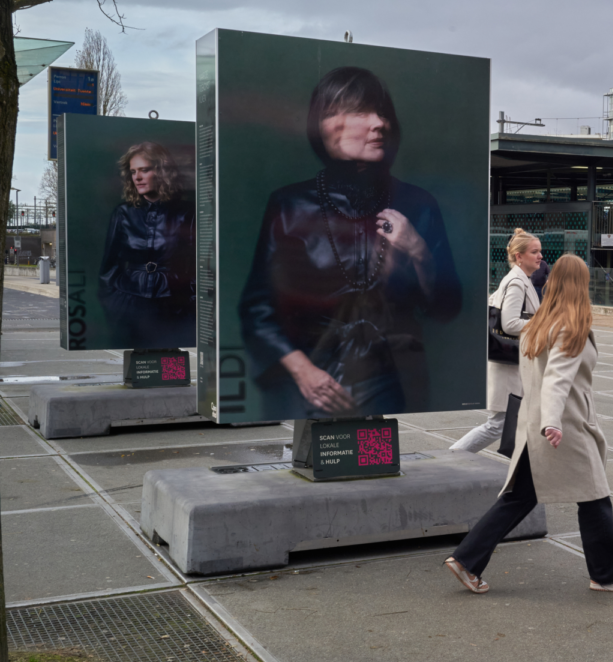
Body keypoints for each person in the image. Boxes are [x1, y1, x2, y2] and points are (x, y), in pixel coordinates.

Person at [239, 66, 462, 420]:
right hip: (309, 389)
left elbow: (446, 308)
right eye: (362, 112)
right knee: (321, 465)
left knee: (379, 470)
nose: (379, 123)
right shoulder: (289, 204)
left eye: (383, 112)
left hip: (395, 388)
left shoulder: (418, 204)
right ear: (327, 123)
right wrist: (305, 374)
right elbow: (257, 311)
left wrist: (418, 251)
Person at [444, 254, 613, 594]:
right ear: (580, 284)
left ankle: (466, 560)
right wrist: (553, 421)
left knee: (519, 498)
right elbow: (557, 379)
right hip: (565, 429)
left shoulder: (540, 322)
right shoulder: (569, 325)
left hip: (533, 428)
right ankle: (608, 574)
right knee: (595, 498)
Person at [450, 229, 541, 454]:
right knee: (497, 424)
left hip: (510, 365)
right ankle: (454, 455)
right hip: (508, 367)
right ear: (519, 256)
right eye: (534, 251)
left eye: (540, 251)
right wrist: (541, 326)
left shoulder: (519, 280)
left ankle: (526, 477)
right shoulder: (517, 282)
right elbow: (510, 323)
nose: (540, 256)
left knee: (515, 423)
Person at [97, 142, 195, 347]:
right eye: (133, 172)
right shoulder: (123, 213)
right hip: (129, 304)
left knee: (170, 355)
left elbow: (198, 263)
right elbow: (108, 267)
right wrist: (114, 302)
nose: (137, 178)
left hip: (174, 304)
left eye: (144, 170)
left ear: (162, 171)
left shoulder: (187, 212)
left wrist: (190, 301)